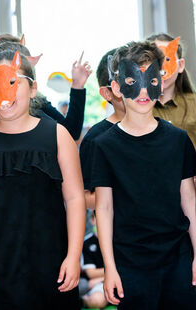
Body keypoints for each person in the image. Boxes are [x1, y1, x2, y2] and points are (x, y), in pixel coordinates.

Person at [0, 51, 86, 309]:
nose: (4, 92)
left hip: (53, 262)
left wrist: (73, 255)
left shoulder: (58, 136)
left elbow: (75, 199)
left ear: (33, 88)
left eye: (13, 82)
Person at [92, 41, 196, 309]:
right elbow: (103, 208)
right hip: (130, 263)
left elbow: (189, 199)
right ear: (116, 87)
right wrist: (109, 268)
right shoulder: (104, 145)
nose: (141, 90)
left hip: (178, 258)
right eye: (131, 80)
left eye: (150, 79)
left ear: (160, 83)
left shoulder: (178, 140)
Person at [80, 48, 125, 209]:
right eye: (124, 82)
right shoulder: (96, 139)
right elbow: (84, 198)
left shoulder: (163, 131)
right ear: (107, 92)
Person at [147, 33, 196, 146]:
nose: (162, 68)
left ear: (181, 65)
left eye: (167, 59)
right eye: (156, 60)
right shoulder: (137, 107)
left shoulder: (194, 103)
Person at [81, 213, 107, 309]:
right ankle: (84, 300)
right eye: (99, 218)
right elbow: (91, 273)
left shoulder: (118, 240)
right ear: (92, 220)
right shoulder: (87, 243)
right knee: (97, 300)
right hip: (99, 285)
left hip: (120, 281)